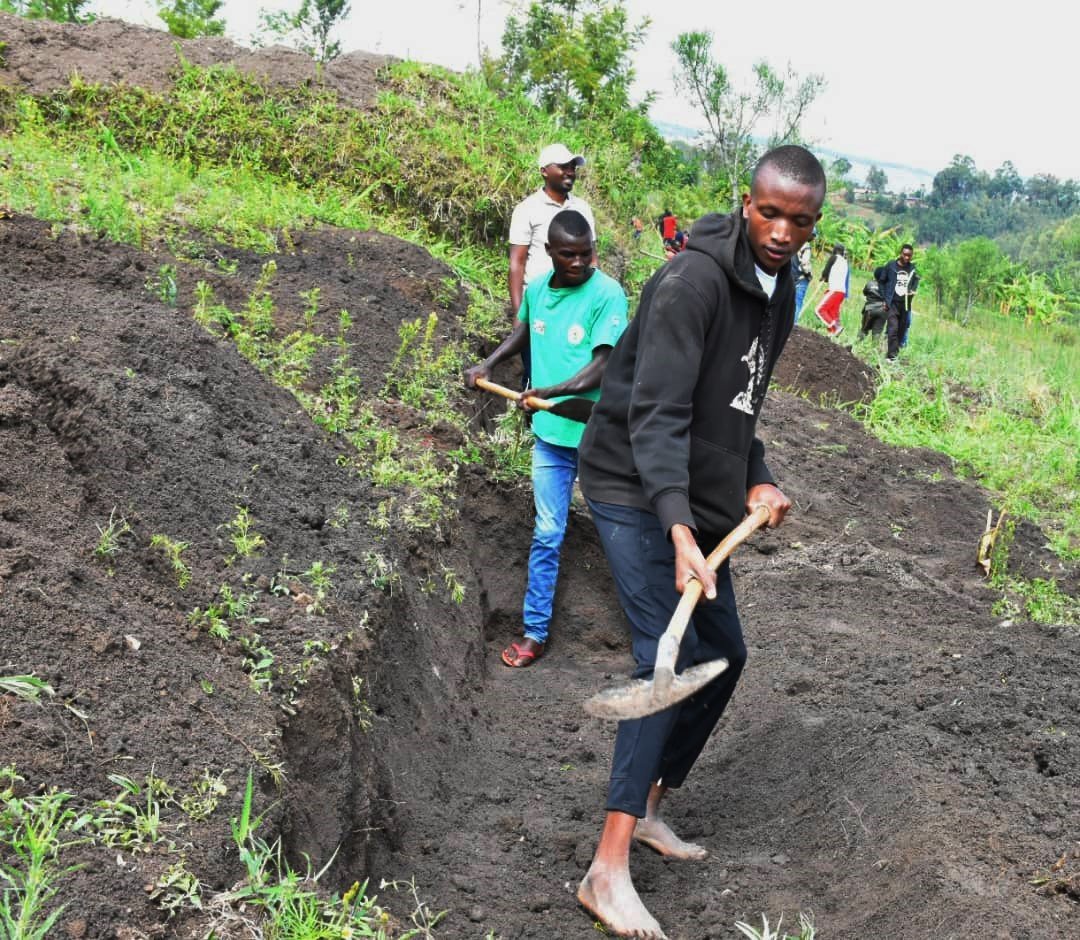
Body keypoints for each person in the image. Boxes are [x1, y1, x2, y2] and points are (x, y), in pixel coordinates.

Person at [574, 145, 825, 939]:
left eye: (801, 220)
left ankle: (648, 806)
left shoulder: (780, 290)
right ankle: (605, 870)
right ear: (745, 203)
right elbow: (658, 416)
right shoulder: (692, 281)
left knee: (727, 653)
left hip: (697, 490)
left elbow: (736, 409)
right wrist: (679, 529)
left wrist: (758, 475)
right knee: (665, 655)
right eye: (771, 212)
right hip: (629, 483)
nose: (783, 231)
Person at [466, 209, 628, 668]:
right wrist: (489, 364)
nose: (580, 263)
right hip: (552, 437)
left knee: (622, 534)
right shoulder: (537, 290)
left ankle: (651, 630)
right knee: (548, 532)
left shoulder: (608, 295)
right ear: (550, 253)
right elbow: (523, 332)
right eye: (569, 255)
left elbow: (603, 366)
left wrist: (550, 391)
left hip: (600, 435)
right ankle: (535, 632)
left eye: (587, 253)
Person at [508, 144, 599, 382]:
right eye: (563, 167)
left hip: (577, 303)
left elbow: (593, 258)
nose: (570, 172)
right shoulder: (527, 210)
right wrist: (519, 314)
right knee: (537, 372)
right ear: (544, 171)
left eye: (573, 167)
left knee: (574, 367)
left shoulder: (582, 208)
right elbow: (517, 264)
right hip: (540, 305)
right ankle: (533, 417)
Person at [879, 243, 919, 359]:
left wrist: (912, 290)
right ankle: (891, 357)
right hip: (892, 303)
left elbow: (916, 281)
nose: (907, 258)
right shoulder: (891, 266)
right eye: (905, 255)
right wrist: (885, 299)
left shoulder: (912, 268)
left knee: (902, 330)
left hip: (905, 305)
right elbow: (882, 281)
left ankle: (894, 354)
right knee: (893, 329)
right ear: (900, 253)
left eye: (909, 256)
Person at [814, 243, 848, 336]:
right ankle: (832, 334)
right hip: (841, 292)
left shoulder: (834, 258)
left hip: (834, 290)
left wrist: (823, 277)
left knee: (818, 310)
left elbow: (826, 271)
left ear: (836, 250)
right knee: (832, 313)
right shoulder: (845, 262)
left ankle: (835, 327)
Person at [790, 228, 815, 322]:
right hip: (800, 278)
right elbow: (805, 263)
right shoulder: (806, 246)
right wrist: (809, 275)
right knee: (797, 303)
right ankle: (793, 325)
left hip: (791, 277)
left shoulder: (793, 242)